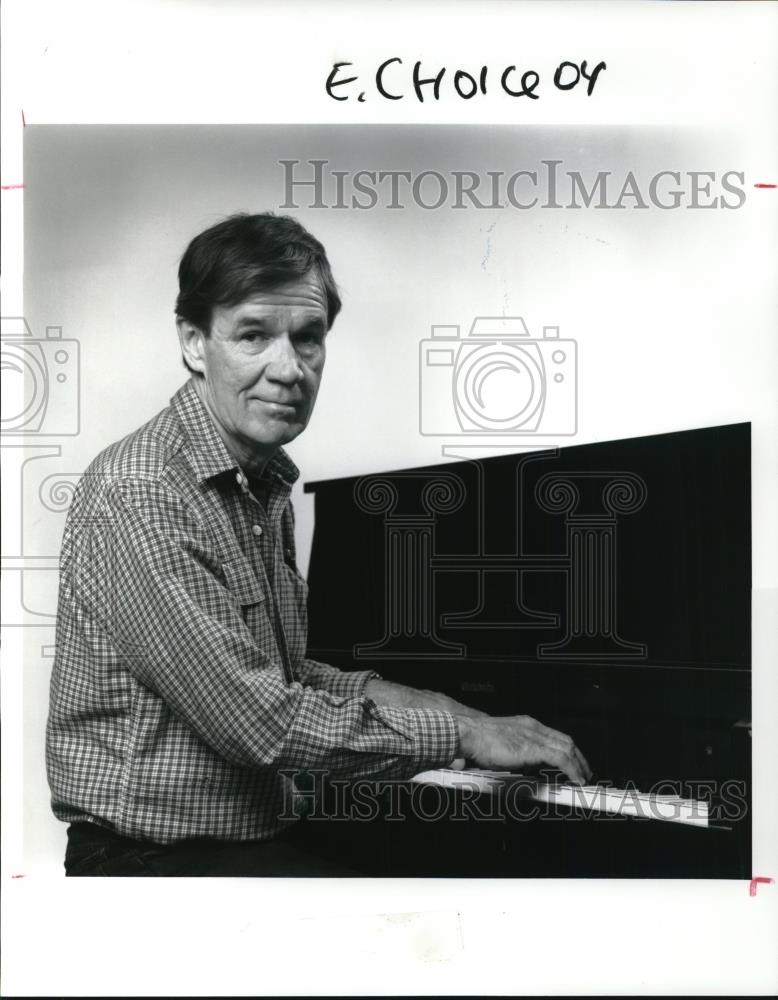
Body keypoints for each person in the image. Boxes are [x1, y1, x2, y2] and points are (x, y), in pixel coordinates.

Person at [46, 212, 591, 877]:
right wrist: (465, 735)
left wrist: (452, 708)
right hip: (146, 862)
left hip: (246, 840)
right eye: (253, 335)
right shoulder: (145, 491)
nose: (289, 368)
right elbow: (259, 722)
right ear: (194, 342)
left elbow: (289, 674)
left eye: (308, 339)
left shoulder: (258, 480)